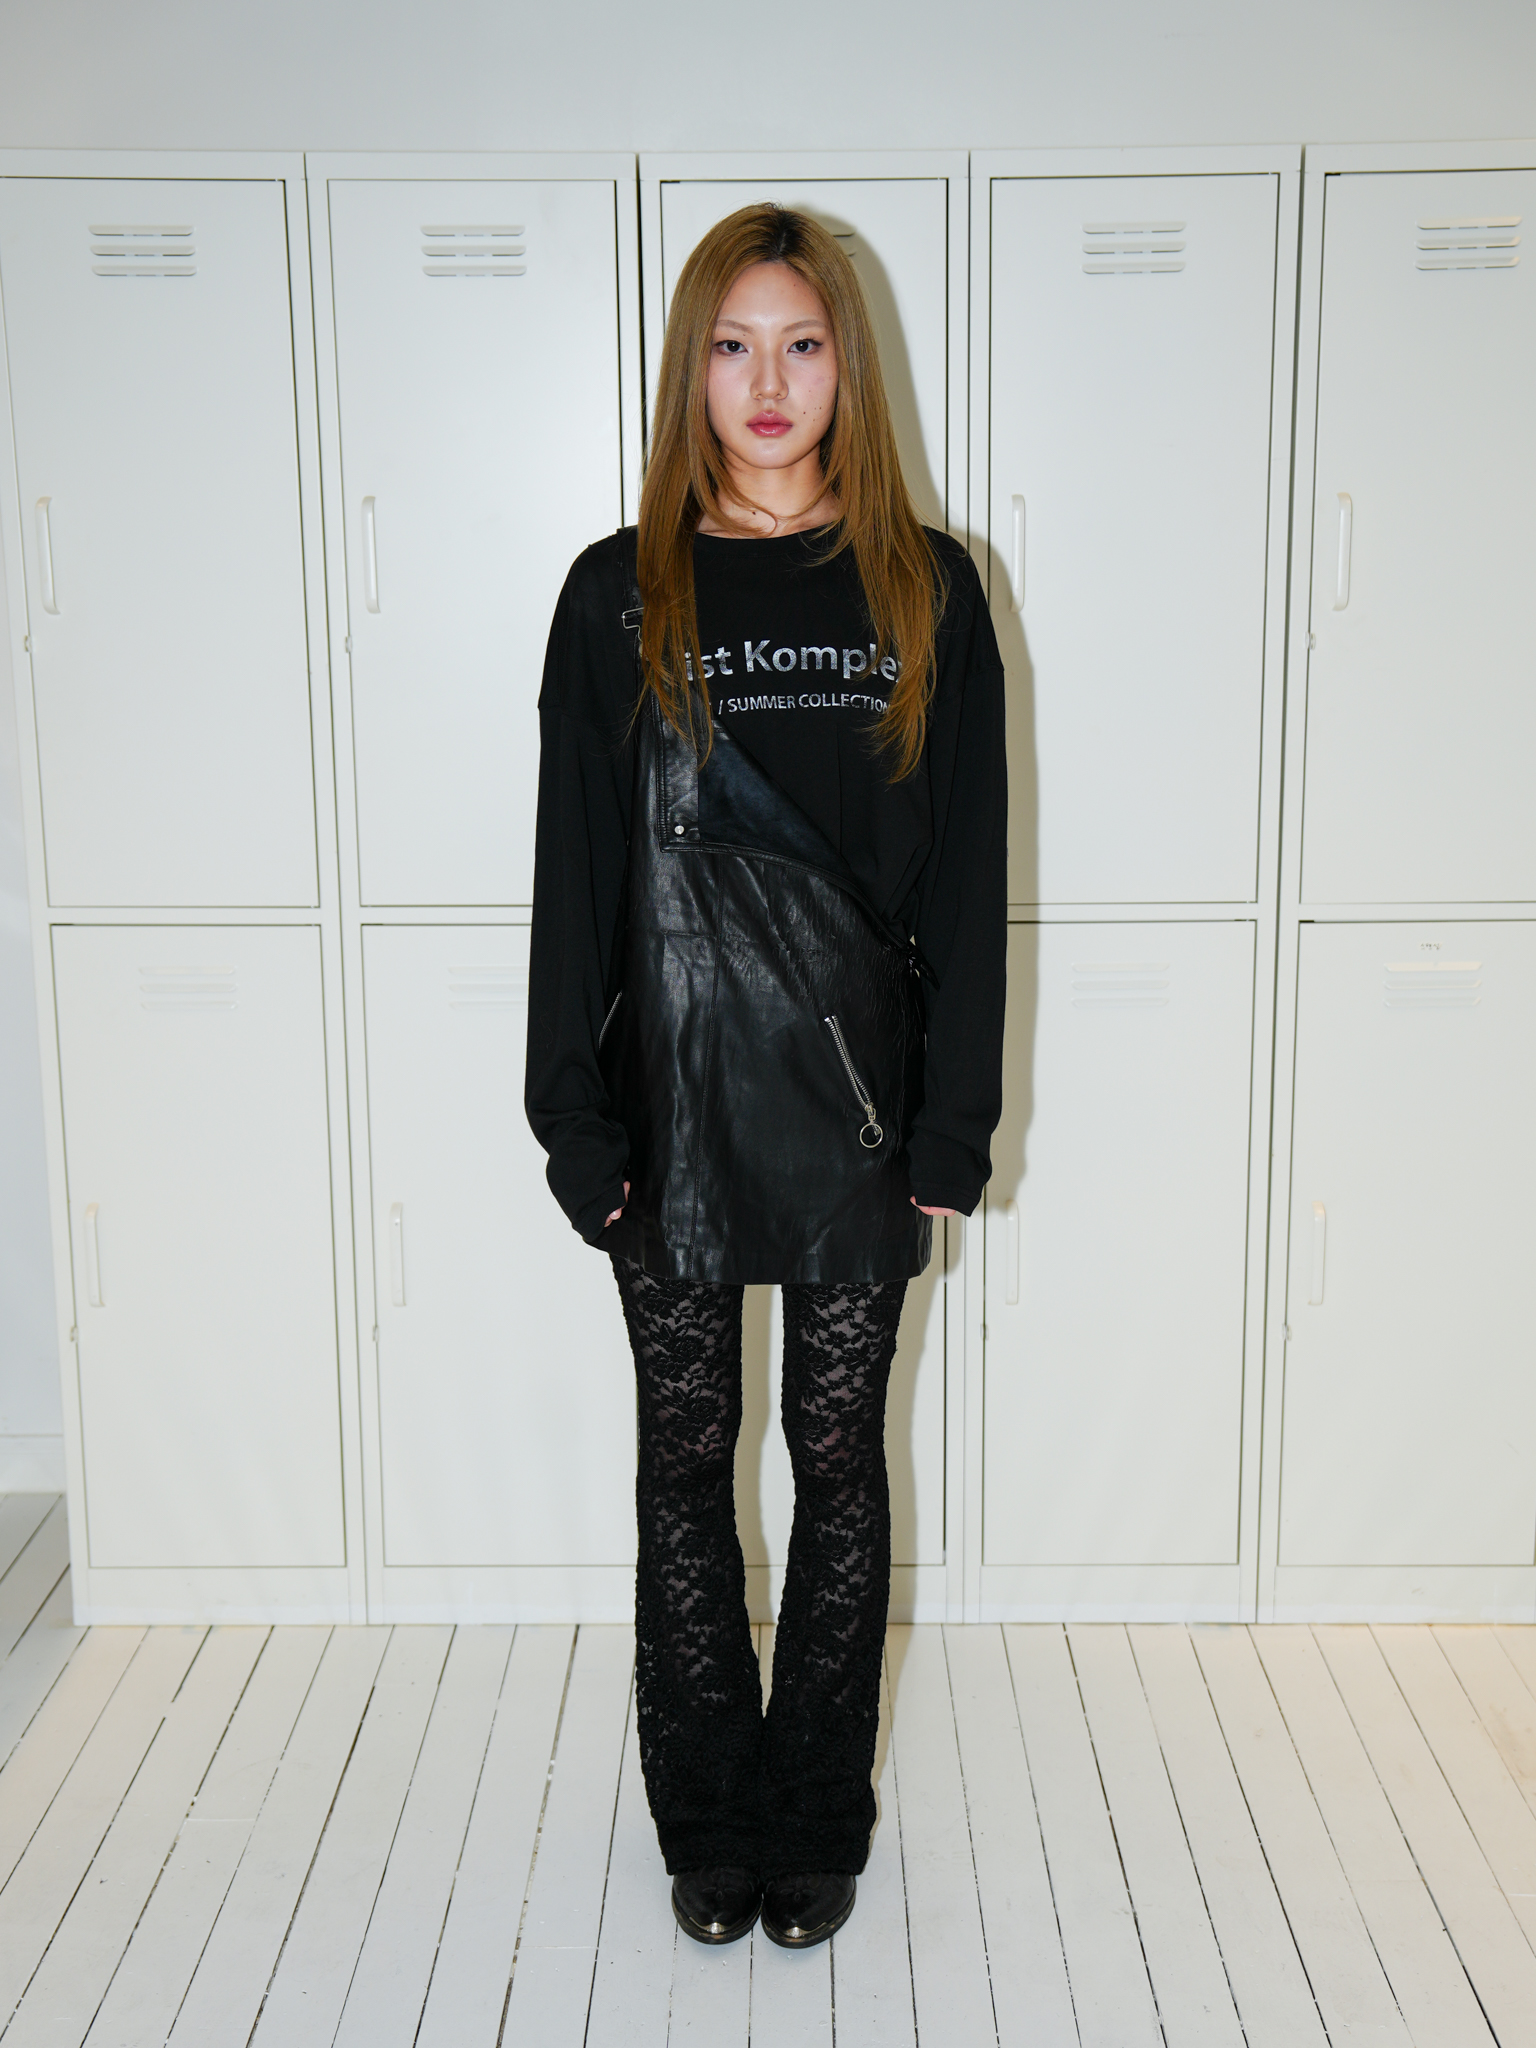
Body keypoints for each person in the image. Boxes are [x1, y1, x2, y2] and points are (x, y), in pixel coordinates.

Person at [525, 204, 1005, 1951]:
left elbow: (967, 874)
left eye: (802, 343)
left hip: (860, 1109)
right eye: (733, 346)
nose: (769, 381)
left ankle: (813, 1814)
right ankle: (706, 1818)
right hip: (670, 1098)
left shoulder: (926, 585)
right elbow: (575, 870)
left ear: (846, 367)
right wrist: (570, 1118)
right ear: (693, 373)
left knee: (836, 1460)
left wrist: (955, 1123)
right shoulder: (617, 592)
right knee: (684, 1462)